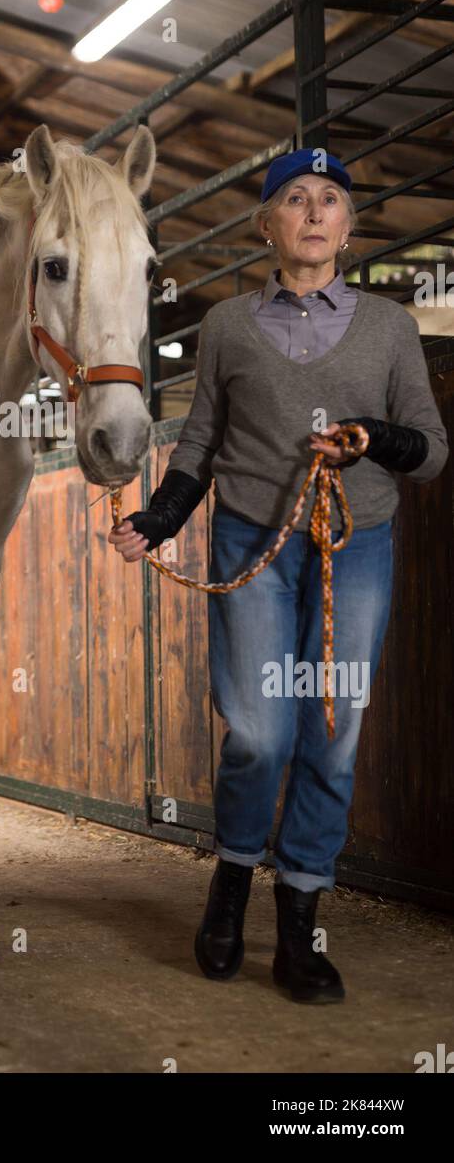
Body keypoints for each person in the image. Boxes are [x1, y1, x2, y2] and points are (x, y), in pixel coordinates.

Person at [109, 148, 448, 1004]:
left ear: (348, 227)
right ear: (267, 223)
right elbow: (198, 445)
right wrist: (157, 519)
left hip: (356, 545)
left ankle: (299, 925)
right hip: (253, 541)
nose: (313, 211)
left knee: (331, 736)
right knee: (261, 731)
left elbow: (431, 450)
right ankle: (230, 884)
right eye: (294, 198)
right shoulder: (226, 326)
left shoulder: (389, 327)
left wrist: (372, 437)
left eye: (330, 200)